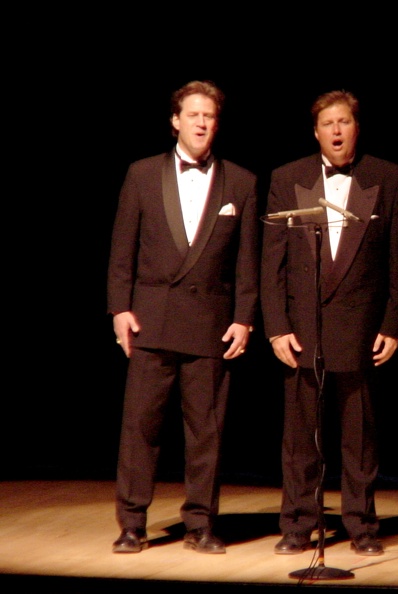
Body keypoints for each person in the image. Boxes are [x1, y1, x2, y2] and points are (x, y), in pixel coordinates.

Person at [107, 80, 259, 555]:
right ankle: (132, 522)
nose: (201, 123)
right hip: (151, 320)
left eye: (209, 116)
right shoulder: (142, 174)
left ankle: (200, 523)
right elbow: (122, 248)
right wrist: (119, 308)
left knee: (205, 432)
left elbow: (247, 262)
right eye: (193, 114)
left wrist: (244, 318)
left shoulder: (241, 182)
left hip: (209, 323)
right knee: (140, 428)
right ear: (175, 120)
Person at [260, 90, 398, 557]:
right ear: (316, 131)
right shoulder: (288, 177)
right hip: (302, 330)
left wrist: (393, 324)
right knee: (300, 439)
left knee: (359, 438)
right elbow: (272, 263)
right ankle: (298, 524)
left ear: (357, 127)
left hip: (361, 330)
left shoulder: (388, 177)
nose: (337, 130)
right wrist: (276, 326)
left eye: (344, 121)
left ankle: (362, 525)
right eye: (328, 123)